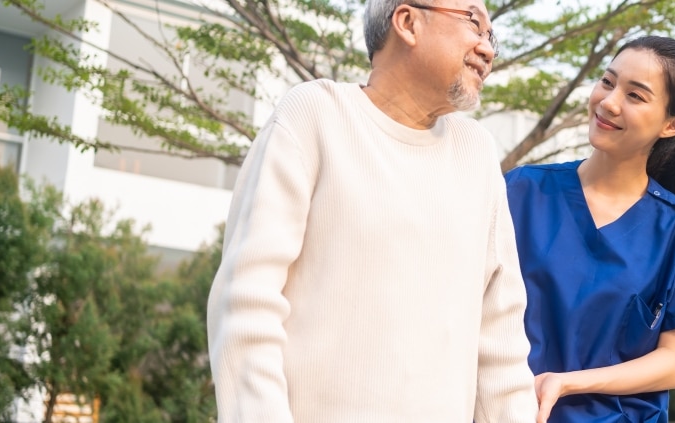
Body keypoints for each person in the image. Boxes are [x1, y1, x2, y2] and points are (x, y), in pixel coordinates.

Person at [206, 0, 538, 421]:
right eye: (473, 22)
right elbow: (246, 304)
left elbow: (502, 344)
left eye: (491, 36)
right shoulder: (315, 115)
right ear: (408, 22)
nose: (487, 49)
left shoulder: (477, 152)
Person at [504, 36, 675, 423]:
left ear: (672, 124)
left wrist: (567, 383)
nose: (609, 102)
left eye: (635, 96)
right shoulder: (521, 191)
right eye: (607, 82)